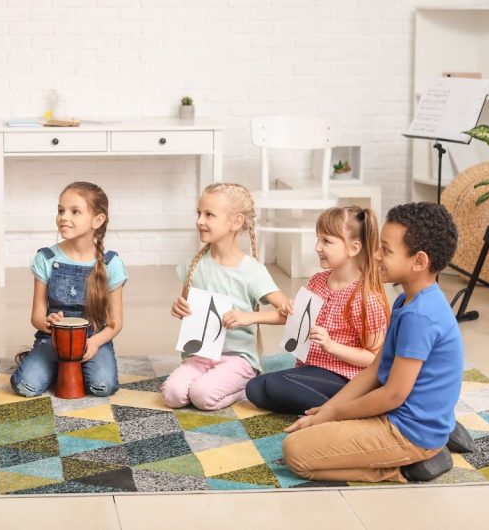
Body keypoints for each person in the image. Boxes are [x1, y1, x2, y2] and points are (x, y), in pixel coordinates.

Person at [282, 202, 464, 483]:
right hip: (399, 417)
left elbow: (393, 394)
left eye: (387, 250)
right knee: (311, 430)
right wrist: (330, 410)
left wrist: (337, 413)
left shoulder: (421, 317)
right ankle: (425, 448)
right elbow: (374, 370)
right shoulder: (407, 299)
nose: (376, 254)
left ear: (419, 261)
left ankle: (409, 465)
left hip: (407, 431)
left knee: (295, 453)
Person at [242, 206, 389, 414]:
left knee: (274, 384)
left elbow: (374, 359)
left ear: (354, 248)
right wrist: (288, 311)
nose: (317, 247)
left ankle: (346, 410)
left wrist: (331, 346)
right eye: (318, 239)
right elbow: (297, 323)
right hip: (310, 369)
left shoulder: (366, 298)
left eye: (326, 241)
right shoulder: (317, 282)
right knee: (254, 388)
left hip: (347, 378)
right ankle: (332, 408)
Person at [160, 182, 290, 411]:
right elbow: (187, 312)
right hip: (200, 355)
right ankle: (211, 380)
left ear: (236, 222)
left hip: (237, 358)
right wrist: (179, 309)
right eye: (199, 213)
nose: (200, 221)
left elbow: (288, 314)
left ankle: (245, 385)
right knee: (172, 396)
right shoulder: (195, 264)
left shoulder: (252, 271)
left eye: (209, 214)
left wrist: (248, 317)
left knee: (202, 397)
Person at [10, 181, 126, 398]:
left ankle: (71, 366)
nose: (64, 217)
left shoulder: (111, 263)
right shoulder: (46, 258)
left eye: (75, 212)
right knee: (25, 386)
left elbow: (116, 322)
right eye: (61, 210)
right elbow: (36, 315)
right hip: (52, 338)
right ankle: (52, 364)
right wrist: (45, 323)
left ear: (97, 220)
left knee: (102, 387)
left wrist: (95, 343)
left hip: (94, 339)